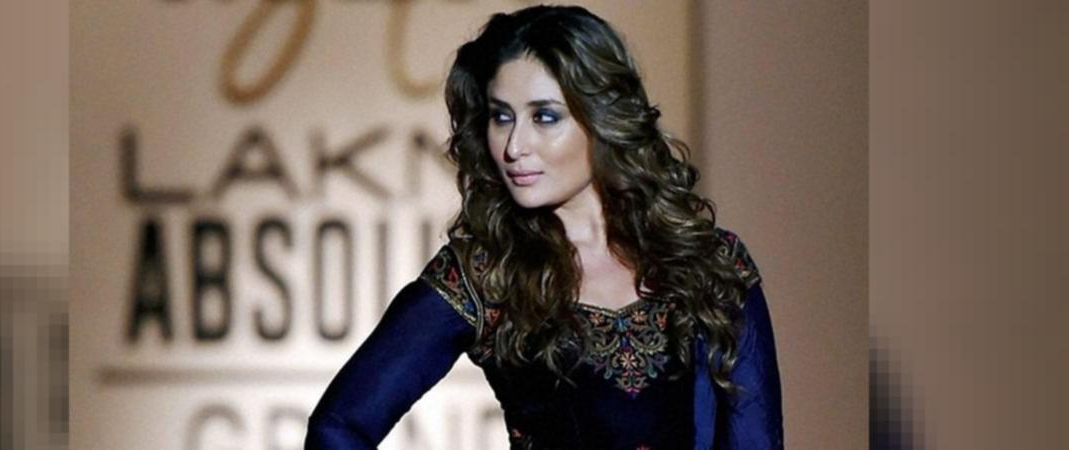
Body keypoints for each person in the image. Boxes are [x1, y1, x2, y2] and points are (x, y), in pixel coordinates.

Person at [305, 5, 783, 449]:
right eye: (501, 117)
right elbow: (339, 425)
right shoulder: (487, 274)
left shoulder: (709, 263)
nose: (514, 146)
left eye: (545, 117)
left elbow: (756, 440)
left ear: (602, 119)